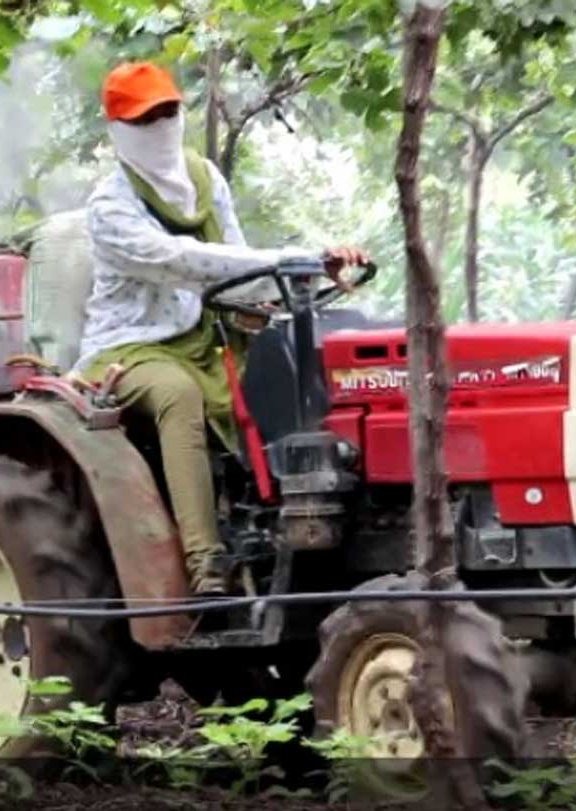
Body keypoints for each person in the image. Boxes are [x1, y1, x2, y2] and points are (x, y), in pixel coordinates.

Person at [76, 61, 369, 596]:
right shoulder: (109, 207)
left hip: (210, 335)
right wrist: (295, 257)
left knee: (297, 368)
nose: (160, 127)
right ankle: (207, 561)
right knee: (178, 394)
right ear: (118, 129)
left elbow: (236, 266)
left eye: (167, 113)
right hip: (134, 346)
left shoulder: (205, 180)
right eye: (145, 119)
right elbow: (182, 261)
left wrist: (300, 275)